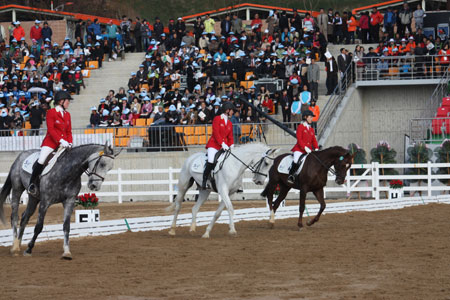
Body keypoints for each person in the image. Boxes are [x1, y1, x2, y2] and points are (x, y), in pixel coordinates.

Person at [27, 90, 73, 196]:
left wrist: (70, 143)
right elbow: (51, 130)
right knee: (42, 159)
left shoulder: (67, 115)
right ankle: (32, 184)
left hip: (65, 144)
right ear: (61, 101)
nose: (68, 103)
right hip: (50, 143)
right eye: (67, 101)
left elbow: (68, 131)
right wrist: (61, 141)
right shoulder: (51, 112)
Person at [202, 102, 235, 189]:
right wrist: (222, 143)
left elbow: (230, 137)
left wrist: (232, 145)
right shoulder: (217, 119)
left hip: (224, 146)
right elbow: (216, 133)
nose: (232, 113)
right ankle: (204, 180)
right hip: (214, 145)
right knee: (211, 160)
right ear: (227, 110)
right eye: (232, 111)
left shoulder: (230, 123)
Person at [287, 110, 319, 185]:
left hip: (309, 150)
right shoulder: (300, 127)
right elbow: (299, 139)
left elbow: (314, 140)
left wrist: (316, 148)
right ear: (305, 117)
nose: (312, 119)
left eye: (312, 117)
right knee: (295, 160)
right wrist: (304, 148)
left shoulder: (311, 129)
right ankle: (291, 176)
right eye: (310, 117)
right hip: (299, 149)